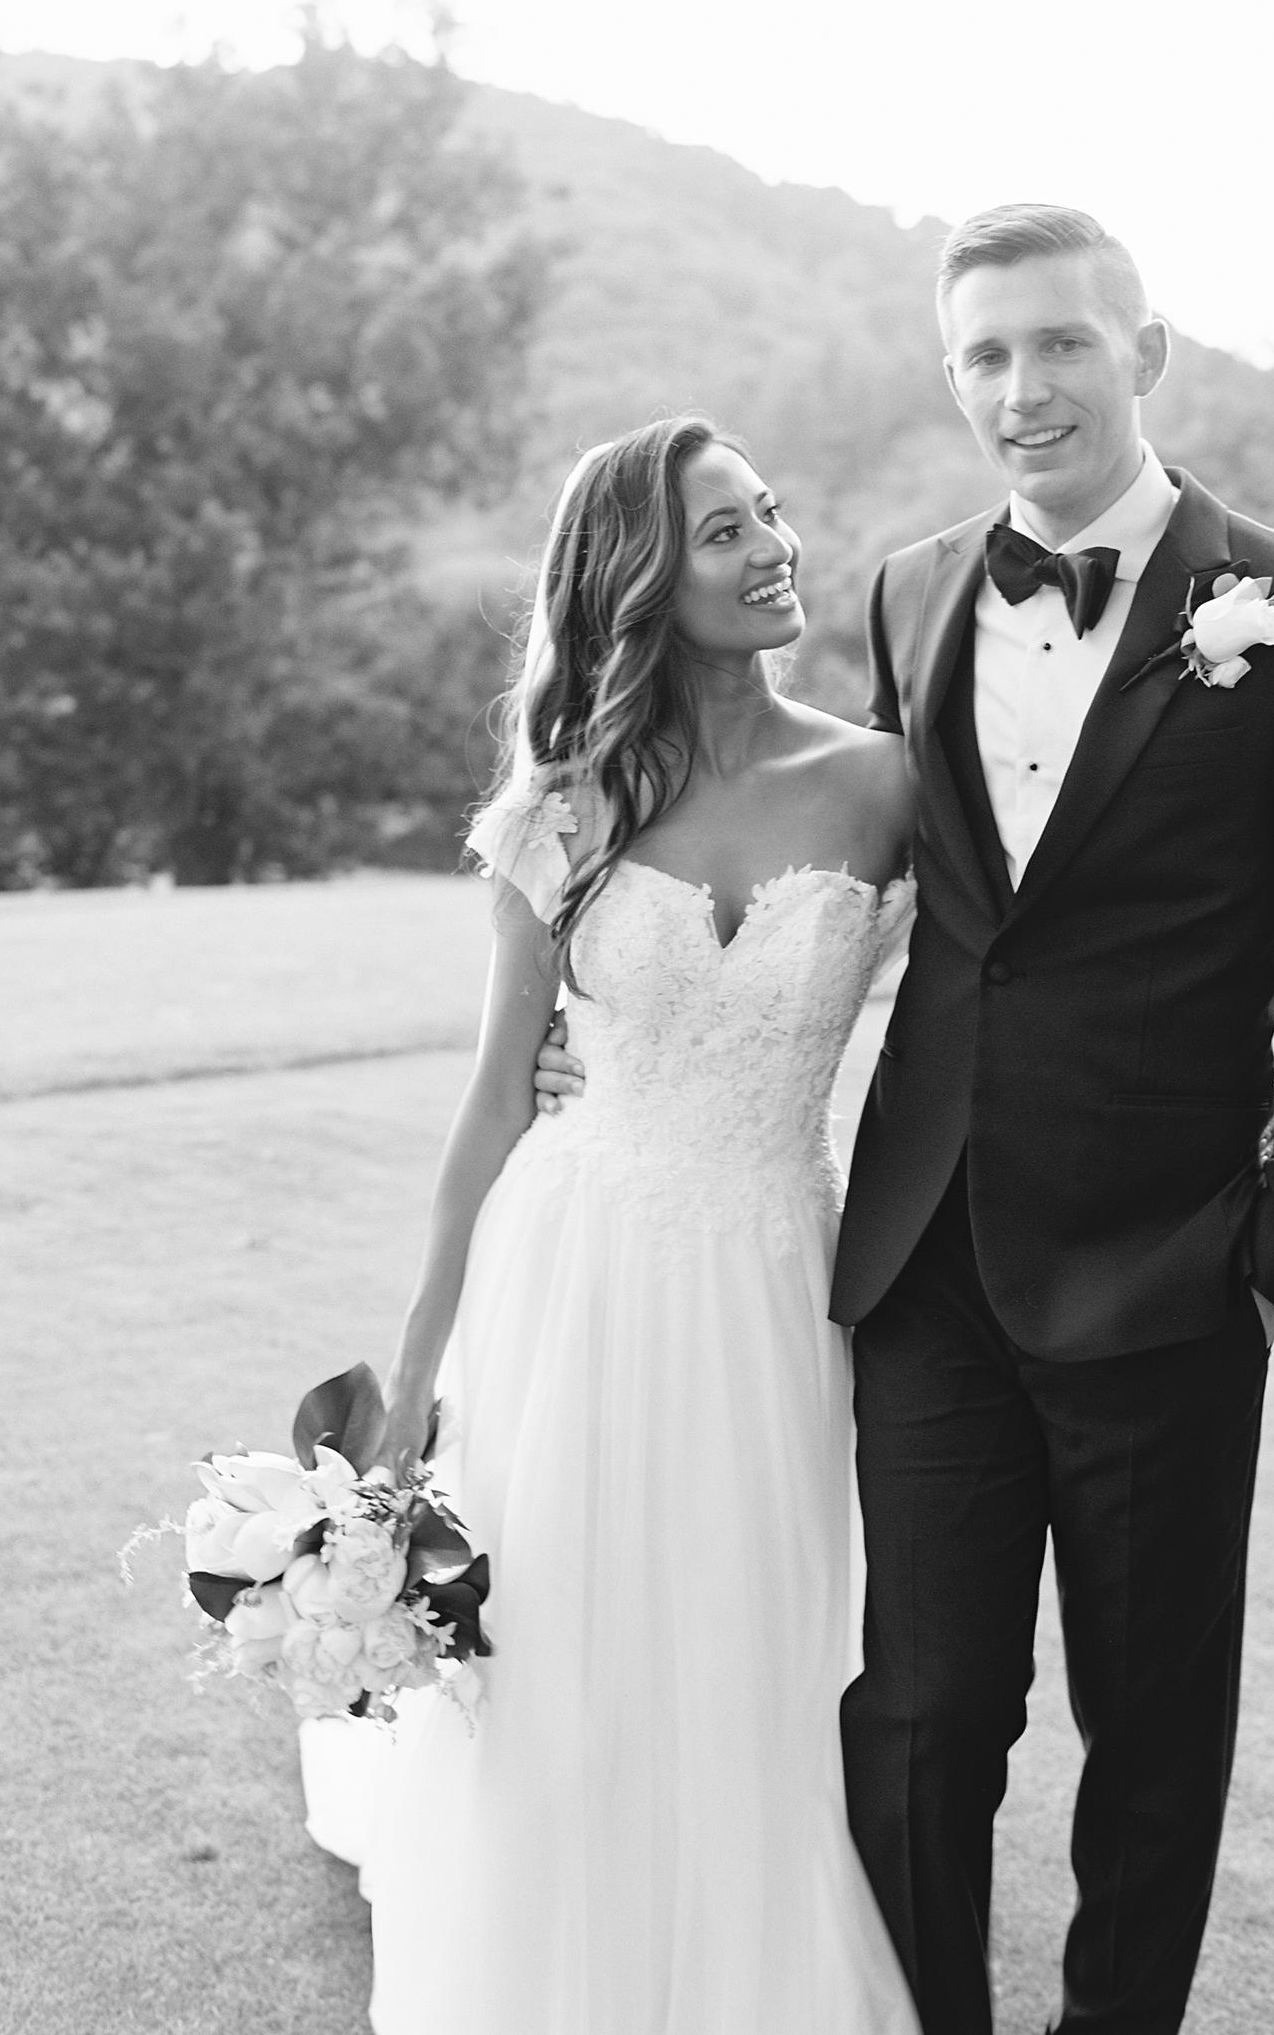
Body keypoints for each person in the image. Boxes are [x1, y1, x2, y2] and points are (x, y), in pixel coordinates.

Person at [537, 208, 1274, 2035]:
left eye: (1059, 347)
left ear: (1144, 352)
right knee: (922, 1706)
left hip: (1171, 1271)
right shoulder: (909, 585)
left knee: (1149, 1725)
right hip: (926, 1252)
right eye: (983, 357)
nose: (1020, 390)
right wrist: (612, 1019)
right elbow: (876, 881)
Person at [319, 414, 923, 2034]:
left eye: (772, 513)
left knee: (754, 1637)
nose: (773, 546)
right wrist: (407, 1381)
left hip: (782, 1268)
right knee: (565, 1646)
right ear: (639, 578)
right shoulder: (562, 809)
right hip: (574, 1263)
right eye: (724, 529)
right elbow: (495, 1097)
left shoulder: (881, 781)